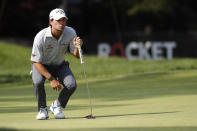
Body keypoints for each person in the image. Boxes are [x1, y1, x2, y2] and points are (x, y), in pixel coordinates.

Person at [31, 8, 83, 120]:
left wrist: (78, 47)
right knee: (38, 82)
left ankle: (56, 105)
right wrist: (51, 79)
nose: (62, 23)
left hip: (60, 65)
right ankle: (42, 109)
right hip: (41, 65)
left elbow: (76, 55)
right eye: (58, 20)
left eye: (64, 20)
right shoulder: (41, 37)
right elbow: (35, 61)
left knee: (71, 85)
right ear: (51, 21)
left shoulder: (70, 32)